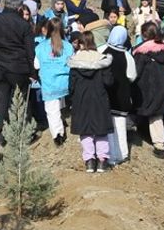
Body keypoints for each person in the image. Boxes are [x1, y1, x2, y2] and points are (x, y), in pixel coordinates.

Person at [0, 2, 35, 144]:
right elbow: (30, 52)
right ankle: (25, 135)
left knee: (1, 102)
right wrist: (33, 72)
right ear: (19, 8)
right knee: (23, 101)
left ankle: (1, 135)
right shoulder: (24, 25)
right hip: (19, 68)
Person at [68, 32, 115, 173]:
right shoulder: (102, 60)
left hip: (81, 100)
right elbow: (109, 82)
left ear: (81, 44)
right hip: (99, 99)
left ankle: (89, 161)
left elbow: (71, 86)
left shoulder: (75, 62)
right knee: (101, 130)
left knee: (85, 131)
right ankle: (102, 161)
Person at [132, 21, 164, 157]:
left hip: (147, 88)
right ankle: (159, 143)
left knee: (151, 115)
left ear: (144, 35)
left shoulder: (141, 52)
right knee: (157, 115)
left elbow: (136, 72)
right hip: (163, 86)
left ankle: (157, 144)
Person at [98, 25, 137, 165]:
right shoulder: (127, 56)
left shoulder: (101, 50)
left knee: (108, 128)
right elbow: (132, 76)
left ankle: (111, 156)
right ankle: (123, 154)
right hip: (122, 97)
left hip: (105, 95)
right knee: (120, 127)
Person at [34, 17, 73, 145]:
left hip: (49, 83)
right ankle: (62, 120)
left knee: (52, 110)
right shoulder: (68, 46)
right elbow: (72, 63)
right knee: (59, 103)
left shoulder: (40, 47)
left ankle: (58, 135)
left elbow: (36, 66)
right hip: (64, 82)